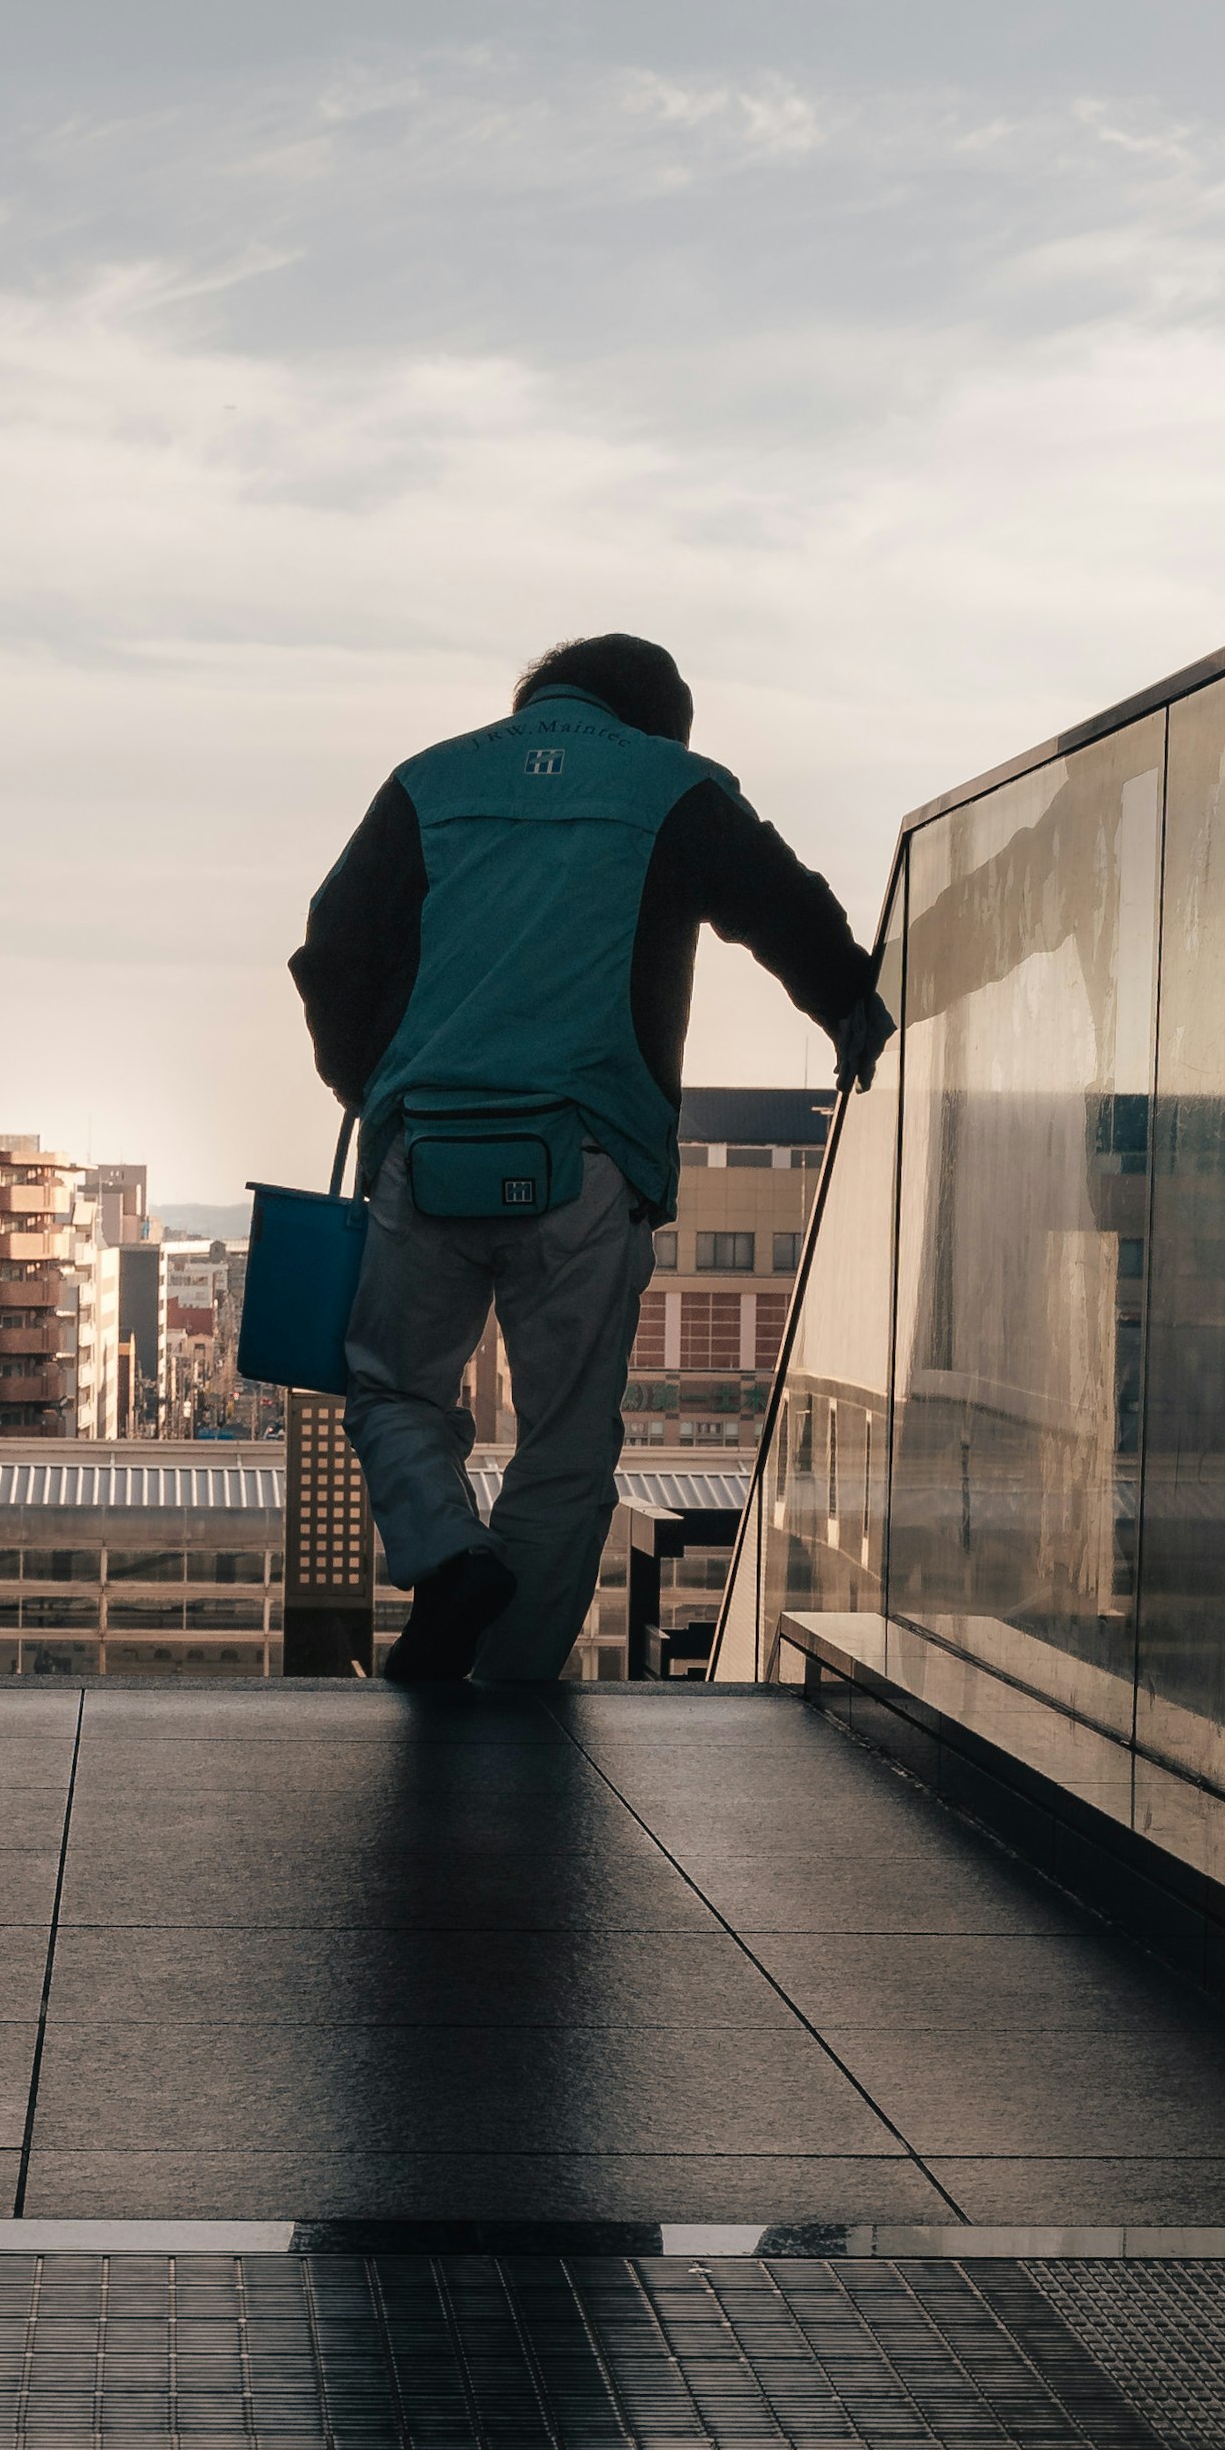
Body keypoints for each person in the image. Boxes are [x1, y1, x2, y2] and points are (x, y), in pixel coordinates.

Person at [289, 633, 891, 1688]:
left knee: (392, 1392)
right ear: (659, 719)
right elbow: (785, 906)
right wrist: (850, 1006)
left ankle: (446, 1555)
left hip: (428, 1150)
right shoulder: (674, 786)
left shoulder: (429, 782)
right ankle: (508, 1684)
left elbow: (333, 942)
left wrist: (369, 1088)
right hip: (589, 1157)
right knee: (564, 1445)